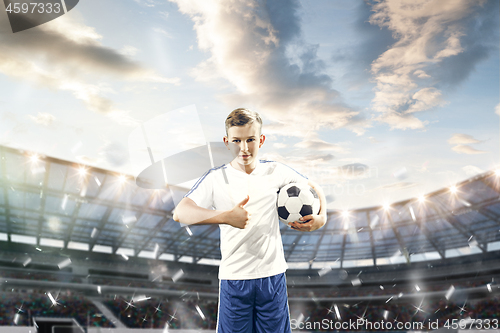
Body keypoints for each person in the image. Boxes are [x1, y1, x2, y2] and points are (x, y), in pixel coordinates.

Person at [173, 108, 327, 333]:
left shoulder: (276, 171)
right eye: (236, 140)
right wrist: (226, 217)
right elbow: (181, 213)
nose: (244, 148)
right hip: (235, 279)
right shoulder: (216, 178)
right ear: (227, 142)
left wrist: (321, 218)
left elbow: (314, 186)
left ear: (261, 139)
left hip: (272, 277)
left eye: (250, 139)